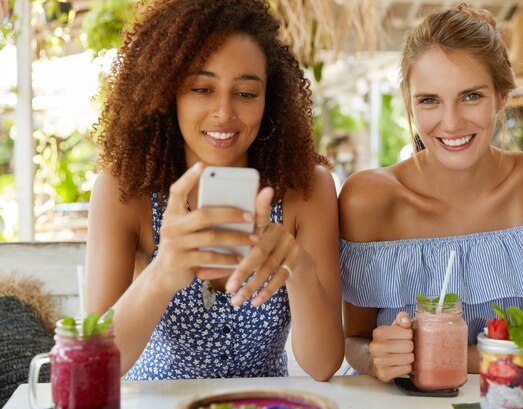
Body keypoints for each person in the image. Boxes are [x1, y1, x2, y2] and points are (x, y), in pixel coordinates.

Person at [85, 0, 344, 381]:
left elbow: (323, 366)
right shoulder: (125, 192)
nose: (224, 112)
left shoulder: (305, 188)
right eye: (202, 88)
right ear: (166, 92)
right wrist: (163, 272)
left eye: (246, 94)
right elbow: (93, 365)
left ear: (269, 100)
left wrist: (300, 270)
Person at [338, 4, 523, 382]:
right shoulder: (368, 198)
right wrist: (374, 357)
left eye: (471, 96)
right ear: (409, 100)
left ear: (502, 96)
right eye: (429, 100)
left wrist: (426, 353)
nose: (451, 122)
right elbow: (355, 339)